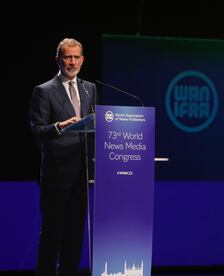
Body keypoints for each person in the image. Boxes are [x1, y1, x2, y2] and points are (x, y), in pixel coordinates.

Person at [29, 38, 96, 276]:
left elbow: (93, 128)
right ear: (58, 59)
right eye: (67, 57)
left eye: (76, 57)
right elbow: (37, 130)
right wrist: (59, 126)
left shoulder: (90, 89)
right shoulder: (44, 90)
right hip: (57, 176)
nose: (72, 62)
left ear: (83, 59)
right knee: (52, 233)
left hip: (82, 173)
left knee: (75, 233)